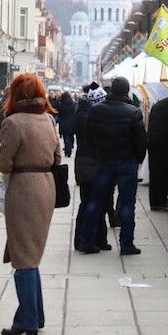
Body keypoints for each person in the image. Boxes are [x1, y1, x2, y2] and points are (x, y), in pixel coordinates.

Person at [0, 73, 60, 335]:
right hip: (46, 186)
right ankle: (36, 315)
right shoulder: (48, 119)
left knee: (24, 257)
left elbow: (4, 164)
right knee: (31, 253)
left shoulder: (13, 123)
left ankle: (27, 320)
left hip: (23, 188)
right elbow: (58, 156)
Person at [80, 77, 147, 255]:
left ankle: (86, 241)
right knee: (126, 204)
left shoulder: (95, 110)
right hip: (126, 162)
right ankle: (126, 244)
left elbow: (89, 136)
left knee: (96, 201)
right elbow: (141, 141)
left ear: (110, 91)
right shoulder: (133, 112)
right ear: (126, 92)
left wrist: (98, 153)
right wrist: (137, 160)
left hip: (104, 161)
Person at [73, 85, 112, 251]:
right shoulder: (86, 117)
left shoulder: (86, 114)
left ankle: (99, 239)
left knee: (99, 202)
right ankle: (83, 240)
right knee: (89, 203)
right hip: (89, 164)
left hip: (90, 162)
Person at [57, 92, 76, 157]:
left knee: (66, 137)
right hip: (72, 122)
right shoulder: (73, 104)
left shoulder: (60, 104)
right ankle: (70, 147)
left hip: (63, 122)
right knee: (71, 136)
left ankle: (67, 151)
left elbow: (59, 114)